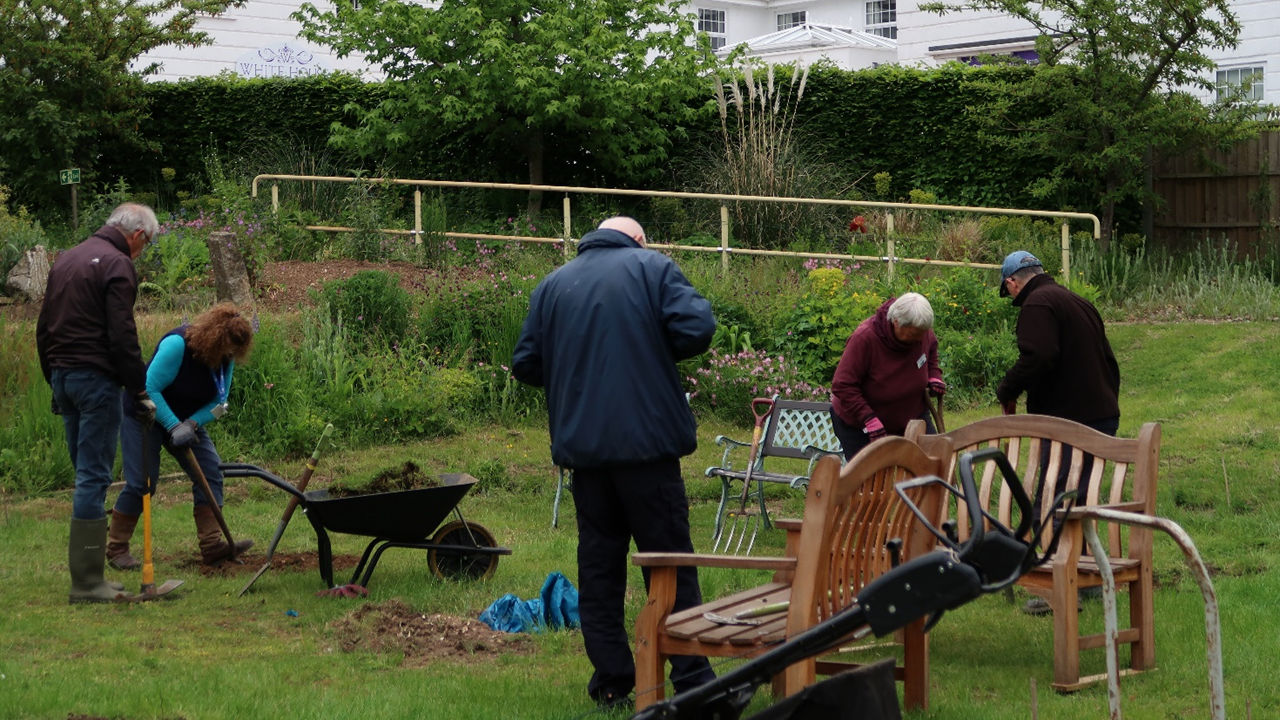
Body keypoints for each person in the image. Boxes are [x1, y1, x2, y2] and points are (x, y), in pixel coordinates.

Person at [511, 216, 716, 707]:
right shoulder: (653, 268)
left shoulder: (552, 285)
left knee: (599, 570)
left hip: (587, 460)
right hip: (647, 454)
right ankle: (693, 683)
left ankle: (612, 682)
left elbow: (525, 363)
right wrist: (651, 349)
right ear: (638, 239)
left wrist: (573, 374)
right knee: (668, 566)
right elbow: (698, 327)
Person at [36, 202, 159, 603]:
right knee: (93, 476)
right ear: (138, 235)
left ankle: (89, 578)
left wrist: (54, 378)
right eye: (149, 242)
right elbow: (122, 336)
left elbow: (43, 327)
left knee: (84, 474)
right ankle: (88, 584)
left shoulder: (67, 259)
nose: (145, 249)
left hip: (63, 376)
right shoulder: (117, 265)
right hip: (95, 381)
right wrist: (138, 389)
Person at [994, 250, 1120, 614]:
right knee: (1077, 499)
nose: (1014, 300)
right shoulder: (1076, 302)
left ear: (1011, 283)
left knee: (1052, 501)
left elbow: (1040, 355)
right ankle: (1085, 580)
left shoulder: (1037, 304)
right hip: (1100, 414)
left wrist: (1008, 389)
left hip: (1067, 419)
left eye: (1010, 293)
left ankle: (1058, 587)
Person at [108, 303, 256, 569]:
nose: (230, 355)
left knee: (210, 471)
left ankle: (212, 546)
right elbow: (149, 388)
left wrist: (191, 423)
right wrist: (173, 425)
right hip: (144, 414)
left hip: (184, 419)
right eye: (227, 348)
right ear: (214, 337)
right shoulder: (177, 345)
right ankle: (117, 548)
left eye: (235, 351)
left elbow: (221, 404)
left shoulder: (225, 360)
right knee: (143, 482)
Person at [829, 292, 945, 461]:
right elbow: (842, 385)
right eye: (914, 334)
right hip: (861, 424)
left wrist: (934, 375)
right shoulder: (865, 338)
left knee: (933, 463)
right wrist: (868, 419)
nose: (920, 338)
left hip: (912, 415)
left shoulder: (921, 329)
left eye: (923, 332)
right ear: (896, 322)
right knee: (873, 481)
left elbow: (931, 349)